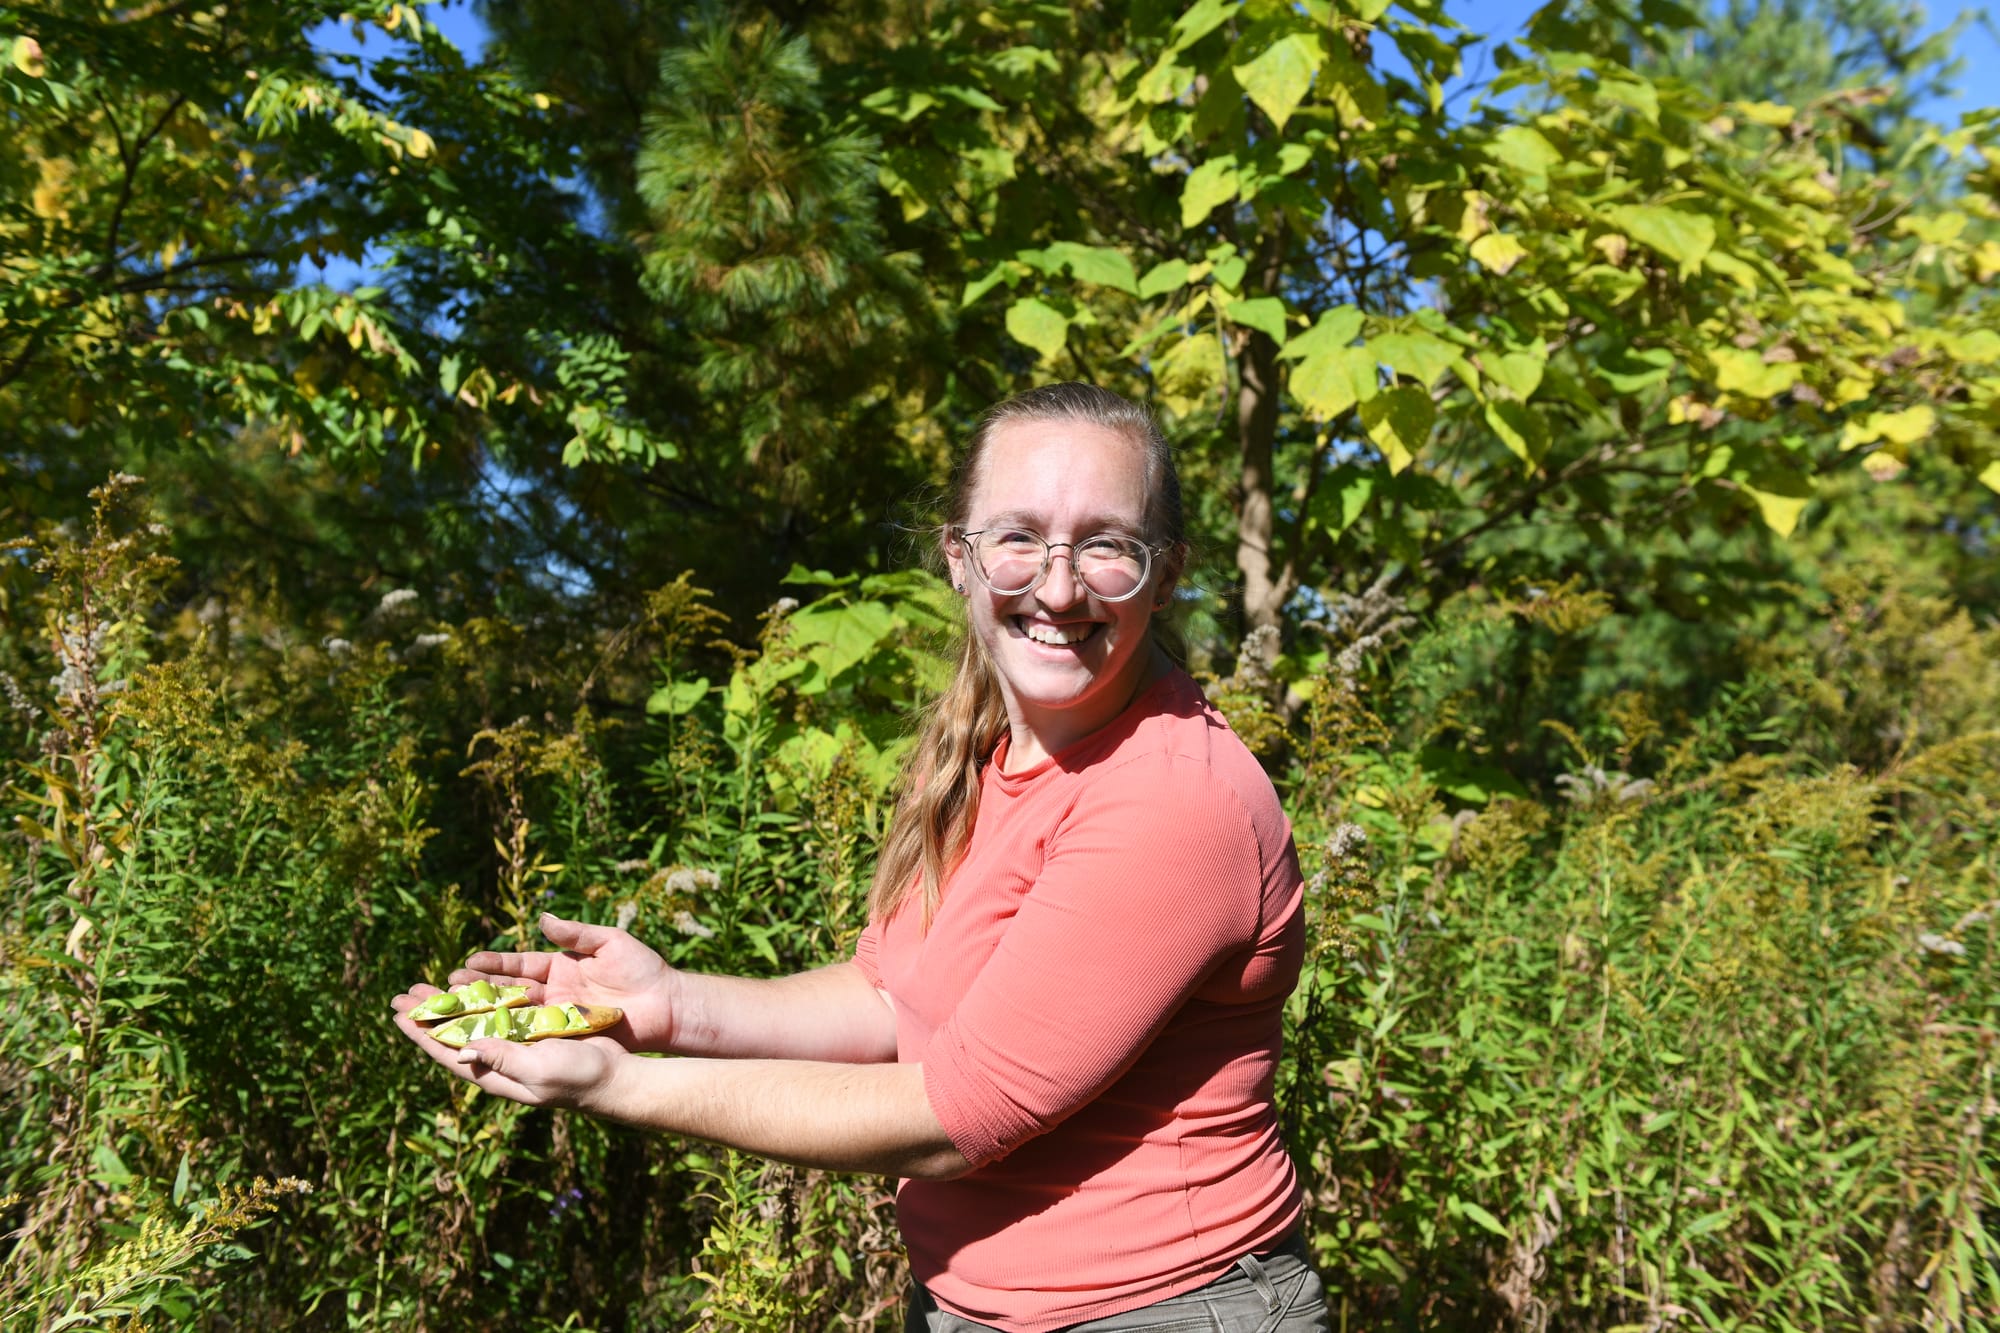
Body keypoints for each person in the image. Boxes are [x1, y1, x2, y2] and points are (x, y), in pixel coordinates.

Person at [393, 382, 1327, 1332]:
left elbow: (953, 1118)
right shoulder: (996, 748)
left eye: (1105, 545)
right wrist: (667, 1004)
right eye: (1018, 537)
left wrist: (616, 1082)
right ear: (957, 558)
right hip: (976, 1305)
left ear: (1164, 574)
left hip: (1161, 1308)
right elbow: (888, 998)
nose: (1056, 587)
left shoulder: (1171, 796)